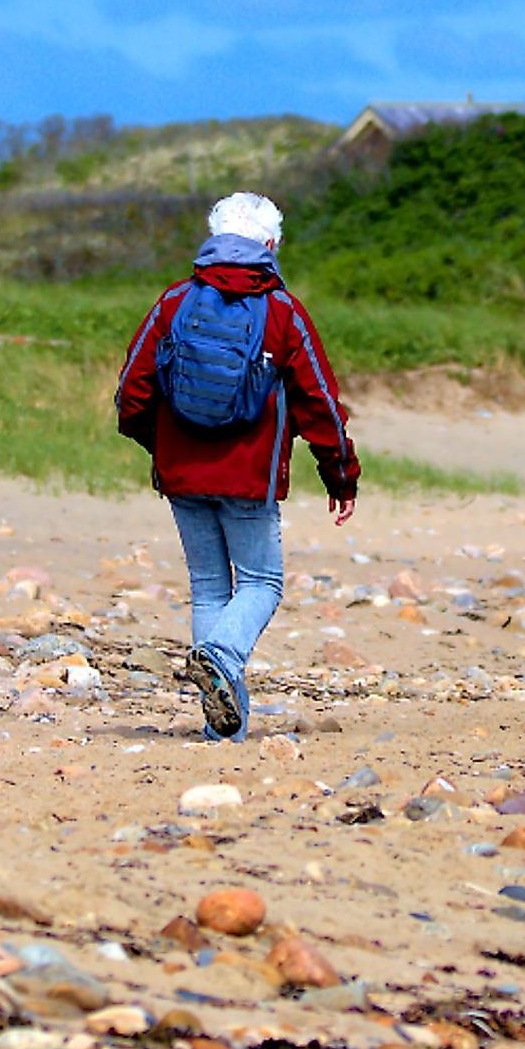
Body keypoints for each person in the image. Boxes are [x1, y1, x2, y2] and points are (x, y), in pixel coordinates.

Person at [116, 192, 358, 740]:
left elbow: (132, 394)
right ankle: (221, 658)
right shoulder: (283, 312)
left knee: (208, 588)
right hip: (250, 476)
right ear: (270, 245)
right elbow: (319, 401)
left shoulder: (174, 302)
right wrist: (340, 473)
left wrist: (162, 447)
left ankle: (224, 729)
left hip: (182, 475)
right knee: (262, 583)